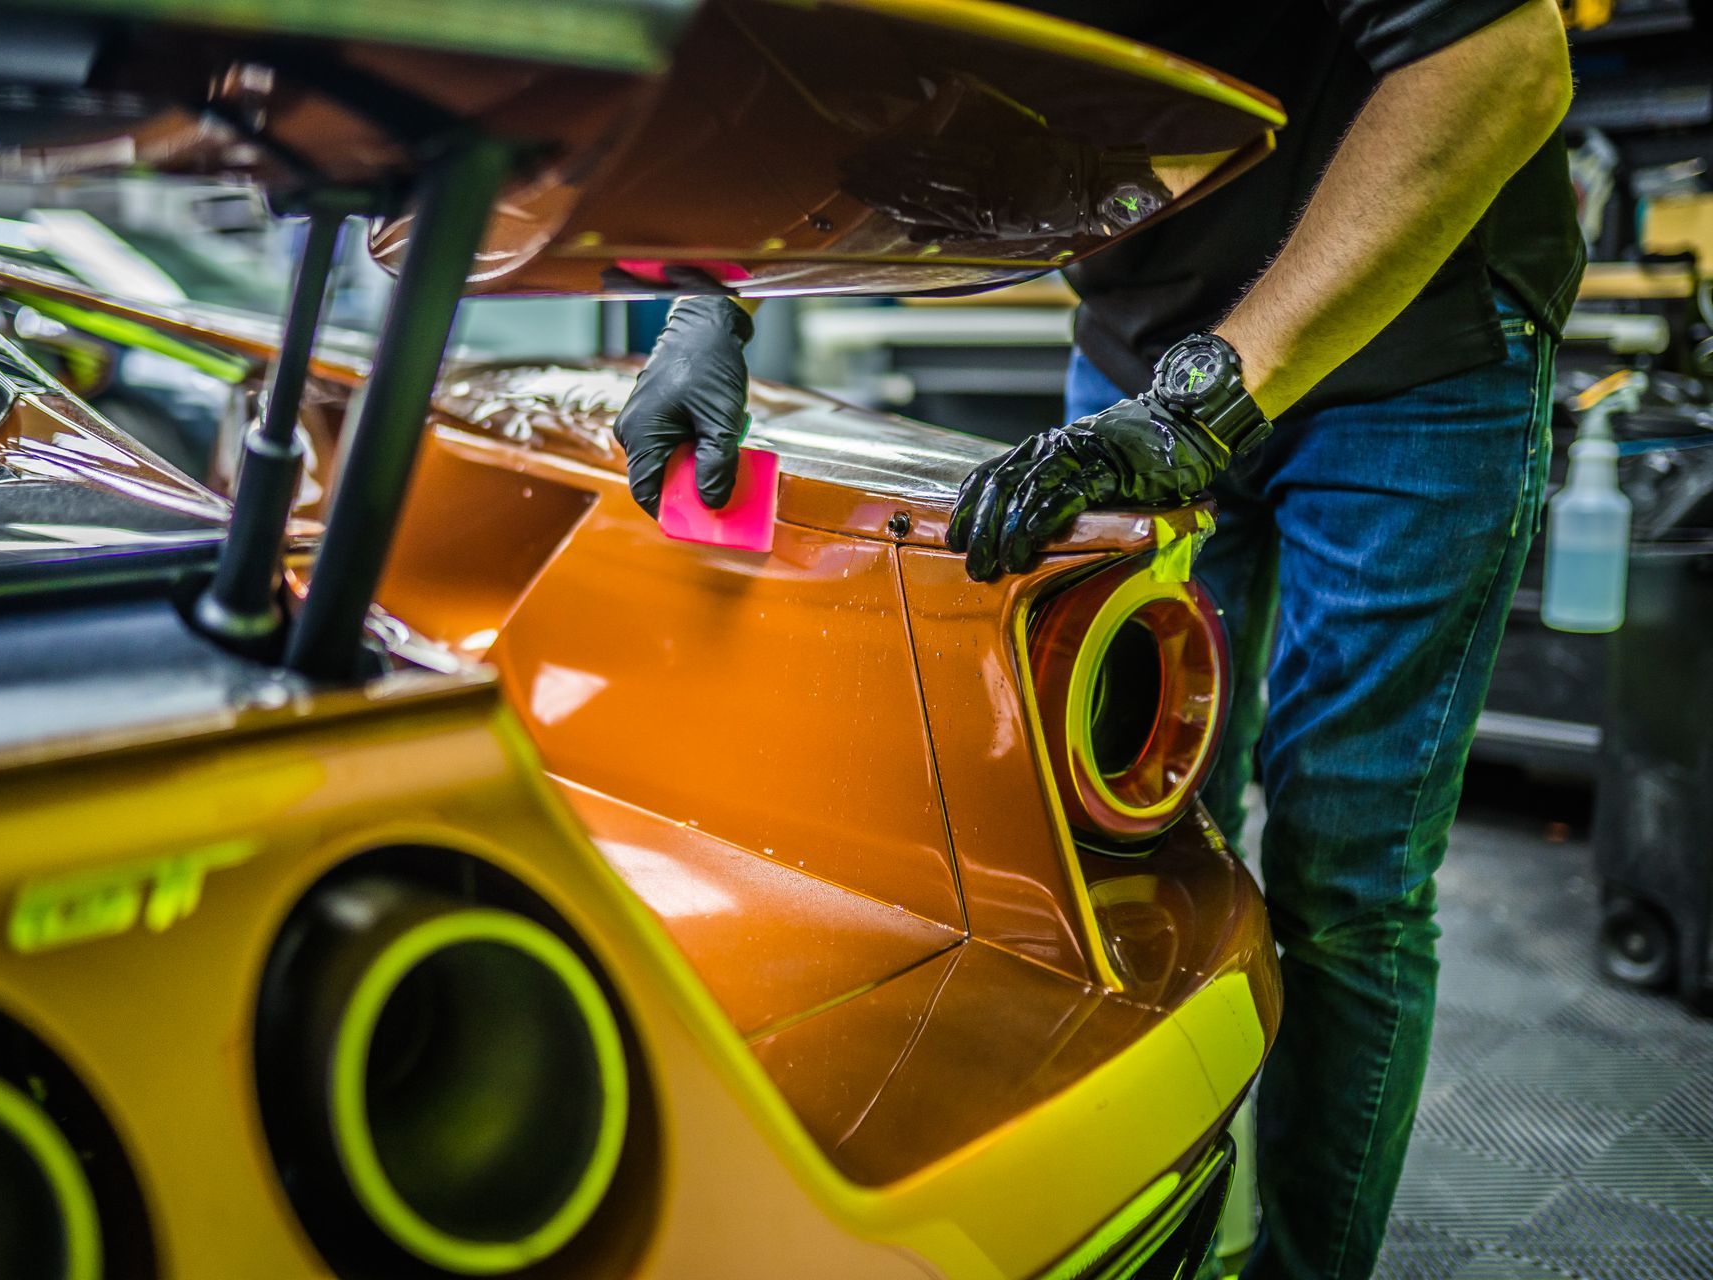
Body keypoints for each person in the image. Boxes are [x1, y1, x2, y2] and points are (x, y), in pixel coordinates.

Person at [611, 3, 1580, 1278]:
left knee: (1345, 883)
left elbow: (1506, 63)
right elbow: (806, 85)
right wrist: (707, 295)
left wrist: (1221, 393)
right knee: (1120, 856)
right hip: (1147, 344)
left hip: (1418, 333)